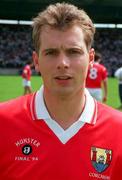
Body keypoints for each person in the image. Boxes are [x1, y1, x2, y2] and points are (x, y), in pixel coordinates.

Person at [0, 3, 122, 180]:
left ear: (90, 59)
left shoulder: (119, 130)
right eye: (51, 52)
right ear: (37, 61)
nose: (63, 63)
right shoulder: (3, 122)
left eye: (74, 52)